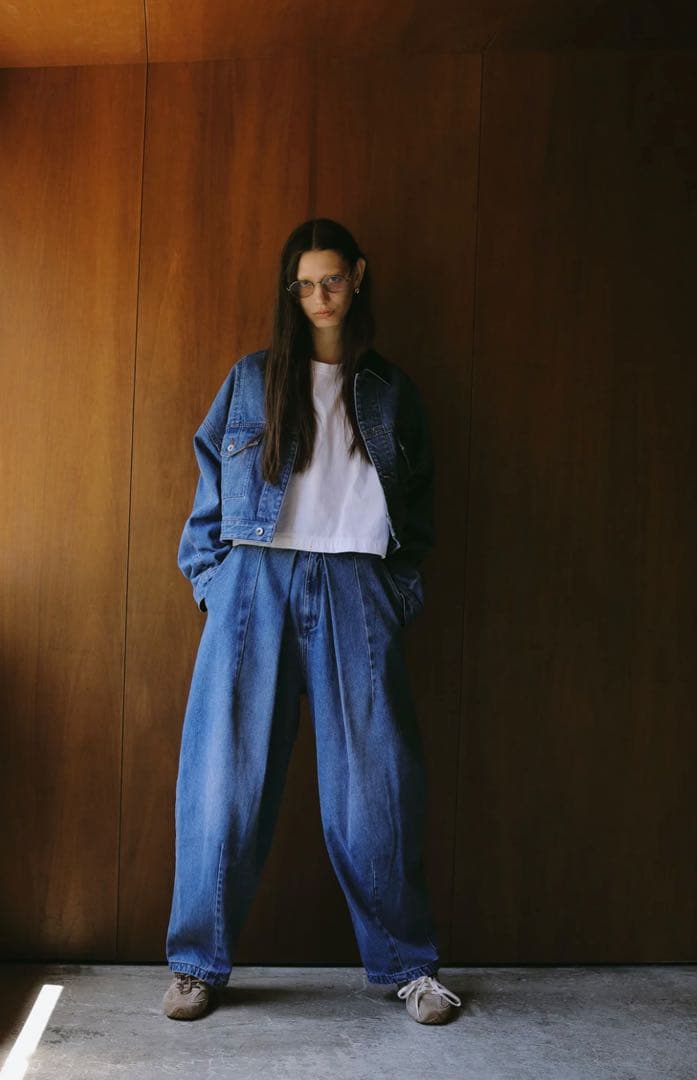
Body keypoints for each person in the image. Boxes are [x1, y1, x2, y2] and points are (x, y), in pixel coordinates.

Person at [162, 218, 462, 1025]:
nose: (319, 297)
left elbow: (419, 505)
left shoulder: (390, 389)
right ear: (289, 293)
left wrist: (396, 593)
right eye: (304, 285)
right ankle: (196, 966)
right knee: (223, 779)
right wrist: (214, 583)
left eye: (331, 280)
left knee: (376, 786)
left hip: (356, 586)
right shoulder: (253, 378)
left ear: (357, 277)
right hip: (254, 582)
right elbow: (208, 485)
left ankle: (408, 968)